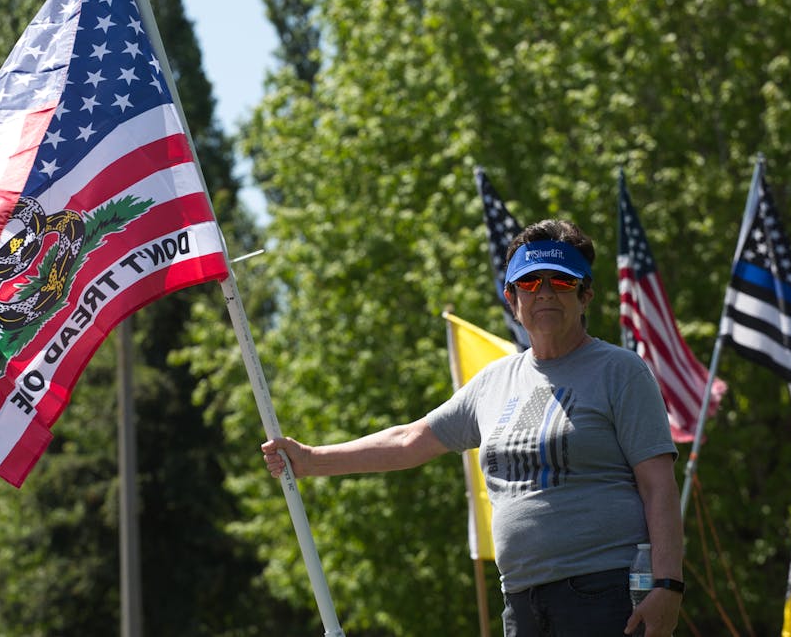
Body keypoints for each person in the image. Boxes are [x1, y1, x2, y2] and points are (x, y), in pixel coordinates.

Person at [262, 219, 684, 637]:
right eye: (530, 283)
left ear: (585, 294)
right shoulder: (493, 383)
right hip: (521, 600)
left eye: (560, 281)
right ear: (511, 298)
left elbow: (658, 486)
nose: (545, 293)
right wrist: (312, 460)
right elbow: (410, 440)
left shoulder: (621, 371)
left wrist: (667, 585)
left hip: (604, 593)